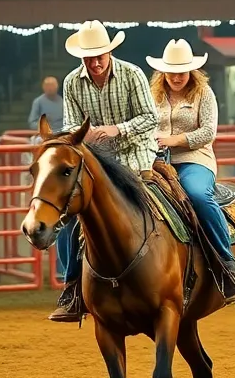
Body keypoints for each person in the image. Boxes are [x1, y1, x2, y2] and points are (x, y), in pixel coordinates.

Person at [49, 20, 159, 323]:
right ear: (81, 57)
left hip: (136, 153)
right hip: (95, 160)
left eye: (100, 56)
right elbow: (72, 125)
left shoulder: (132, 74)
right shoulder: (72, 82)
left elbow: (151, 118)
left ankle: (182, 268)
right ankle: (72, 286)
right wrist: (84, 136)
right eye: (89, 57)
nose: (95, 62)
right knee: (70, 213)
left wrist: (116, 130)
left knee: (153, 203)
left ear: (109, 53)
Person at [147, 39, 235, 306]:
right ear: (163, 72)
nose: (177, 77)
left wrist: (172, 140)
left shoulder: (204, 94)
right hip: (154, 161)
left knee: (198, 195)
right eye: (172, 71)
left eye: (182, 71)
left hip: (194, 159)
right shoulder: (152, 95)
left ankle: (227, 266)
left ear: (192, 72)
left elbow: (207, 133)